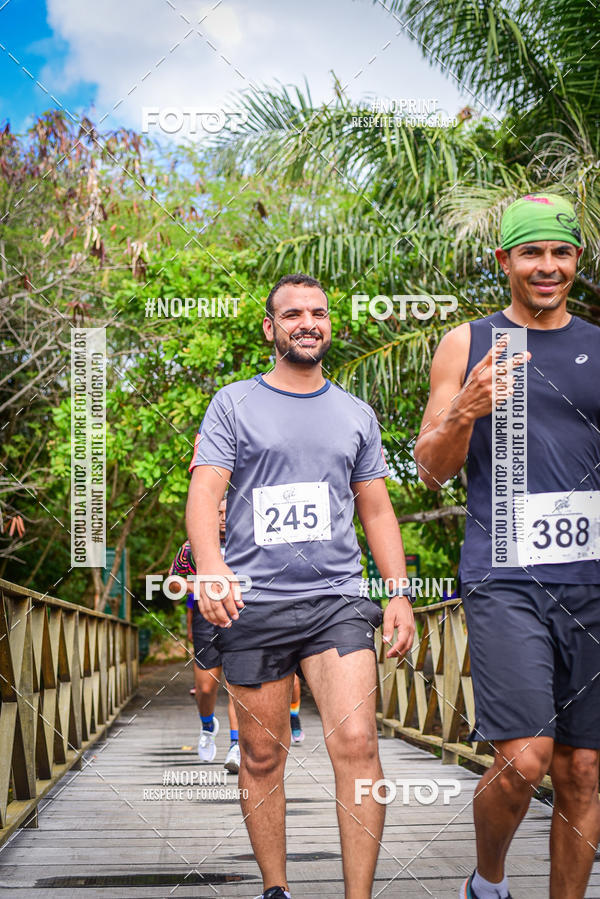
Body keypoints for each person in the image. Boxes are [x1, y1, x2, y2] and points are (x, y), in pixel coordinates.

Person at [185, 273, 415, 899]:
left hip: (336, 601)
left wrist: (397, 593)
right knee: (262, 755)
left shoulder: (355, 414)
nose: (307, 322)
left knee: (359, 743)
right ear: (271, 328)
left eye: (317, 312)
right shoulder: (233, 404)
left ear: (329, 325)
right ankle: (276, 891)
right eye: (292, 314)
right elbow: (205, 491)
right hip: (253, 603)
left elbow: (376, 510)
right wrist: (210, 565)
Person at [414, 194, 600, 899]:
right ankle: (487, 882)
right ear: (505, 261)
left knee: (583, 769)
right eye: (532, 252)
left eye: (561, 252)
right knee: (525, 760)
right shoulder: (468, 343)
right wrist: (466, 407)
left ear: (576, 259)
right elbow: (429, 468)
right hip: (507, 577)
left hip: (593, 580)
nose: (548, 266)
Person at [169, 524, 241, 773]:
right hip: (205, 618)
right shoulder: (193, 547)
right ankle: (207, 726)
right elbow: (172, 583)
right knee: (206, 687)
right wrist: (196, 586)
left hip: (242, 617)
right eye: (218, 513)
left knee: (238, 685)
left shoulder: (247, 539)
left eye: (226, 512)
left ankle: (236, 745)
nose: (222, 518)